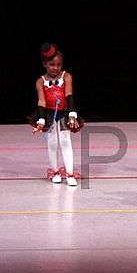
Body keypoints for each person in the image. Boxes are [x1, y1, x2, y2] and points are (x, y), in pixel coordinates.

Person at [29, 43, 84, 186]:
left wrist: (72, 114)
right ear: (44, 64)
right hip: (48, 114)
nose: (56, 68)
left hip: (65, 112)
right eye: (52, 64)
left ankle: (70, 174)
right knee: (52, 143)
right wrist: (41, 120)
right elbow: (41, 101)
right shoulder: (40, 81)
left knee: (66, 141)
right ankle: (55, 171)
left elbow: (69, 95)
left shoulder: (67, 76)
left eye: (59, 64)